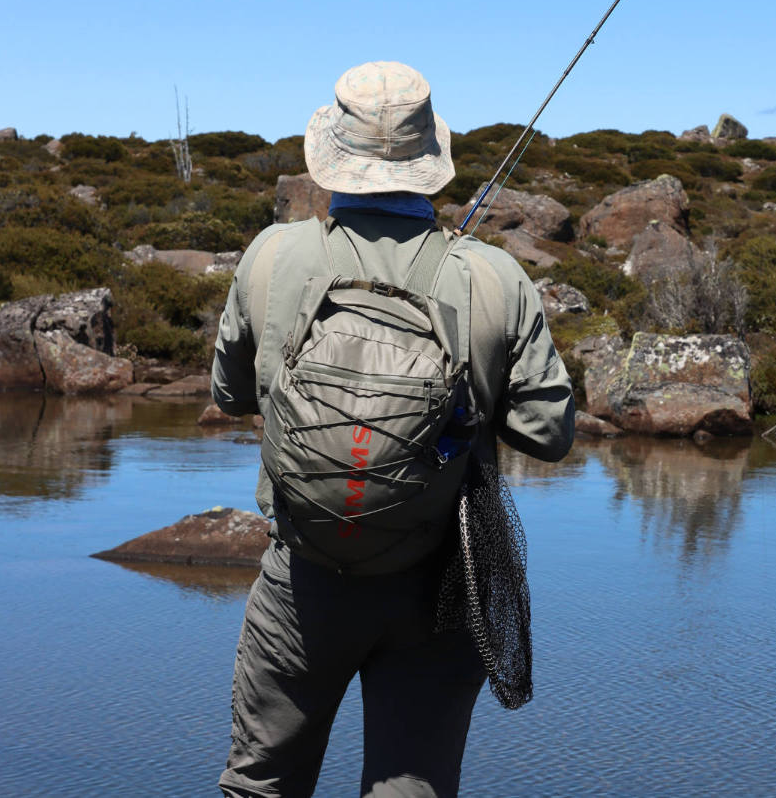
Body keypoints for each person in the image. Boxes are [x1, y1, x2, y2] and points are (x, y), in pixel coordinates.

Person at [212, 60, 575, 798]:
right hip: (438, 590)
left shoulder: (271, 256)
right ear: (427, 161)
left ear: (333, 158)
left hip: (302, 578)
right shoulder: (494, 276)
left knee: (261, 788)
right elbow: (548, 432)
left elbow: (229, 395)